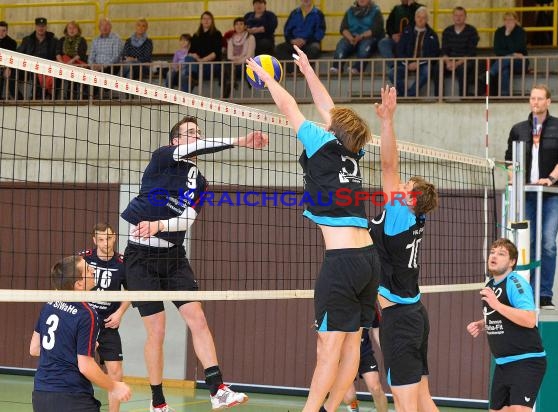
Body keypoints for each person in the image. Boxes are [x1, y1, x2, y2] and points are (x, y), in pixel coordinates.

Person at [247, 45, 380, 412]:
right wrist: (307, 71)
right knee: (352, 344)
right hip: (369, 260)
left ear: (332, 129)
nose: (326, 119)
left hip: (342, 262)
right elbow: (330, 108)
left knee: (327, 349)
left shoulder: (320, 141)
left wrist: (268, 78)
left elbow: (289, 106)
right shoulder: (352, 150)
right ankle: (329, 409)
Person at [121, 116, 268, 411]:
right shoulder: (163, 157)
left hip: (173, 257)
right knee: (158, 330)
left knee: (197, 319)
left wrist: (160, 226)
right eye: (190, 134)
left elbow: (188, 219)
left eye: (199, 133)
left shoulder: (199, 181)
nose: (197, 137)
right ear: (175, 141)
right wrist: (240, 141)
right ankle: (158, 403)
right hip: (140, 258)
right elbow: (201, 146)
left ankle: (217, 390)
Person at [369, 85, 439, 411]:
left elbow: (388, 166)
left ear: (410, 200)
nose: (401, 184)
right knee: (423, 400)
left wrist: (387, 121)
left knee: (405, 403)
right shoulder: (415, 217)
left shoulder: (399, 213)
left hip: (401, 319)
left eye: (406, 186)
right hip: (413, 315)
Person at [30, 256, 131, 412]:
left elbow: (35, 348)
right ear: (79, 284)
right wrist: (114, 387)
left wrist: (75, 347)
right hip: (72, 397)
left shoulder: (49, 305)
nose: (93, 270)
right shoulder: (87, 314)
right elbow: (85, 366)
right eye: (88, 270)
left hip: (40, 395)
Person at [505, 84, 558, 310]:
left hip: (551, 194)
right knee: (527, 242)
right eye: (532, 98)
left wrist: (550, 179)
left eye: (540, 98)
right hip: (527, 194)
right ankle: (528, 293)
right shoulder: (519, 129)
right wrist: (513, 177)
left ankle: (545, 295)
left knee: (548, 243)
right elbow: (509, 158)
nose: (536, 102)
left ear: (548, 102)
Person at [466, 238, 547, 412]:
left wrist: (496, 305)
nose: (494, 256)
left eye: (501, 254)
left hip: (526, 361)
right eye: (492, 252)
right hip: (503, 363)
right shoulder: (490, 285)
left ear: (512, 262)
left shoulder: (515, 283)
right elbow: (502, 317)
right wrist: (482, 324)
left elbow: (529, 319)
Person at [79, 223, 129, 412]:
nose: (105, 243)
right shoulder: (84, 259)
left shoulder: (122, 263)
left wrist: (119, 313)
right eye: (100, 239)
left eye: (108, 238)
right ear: (94, 240)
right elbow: (71, 285)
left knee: (115, 370)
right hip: (85, 322)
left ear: (114, 237)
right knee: (78, 367)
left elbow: (132, 291)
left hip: (108, 324)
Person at [342, 310, 388, 412]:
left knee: (376, 388)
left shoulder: (371, 304)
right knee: (350, 398)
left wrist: (387, 352)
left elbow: (376, 328)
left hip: (364, 352)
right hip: (343, 356)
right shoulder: (342, 302)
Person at [390, 7, 440, 97]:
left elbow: (434, 53)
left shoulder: (432, 35)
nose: (420, 20)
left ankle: (409, 95)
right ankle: (404, 94)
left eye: (423, 18)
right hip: (406, 63)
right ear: (415, 18)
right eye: (418, 17)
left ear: (427, 20)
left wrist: (418, 63)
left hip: (423, 64)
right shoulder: (406, 31)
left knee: (426, 71)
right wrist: (408, 63)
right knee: (392, 73)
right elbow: (399, 50)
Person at [329, 0, 385, 75]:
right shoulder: (350, 11)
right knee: (341, 45)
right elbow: (343, 28)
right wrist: (351, 38)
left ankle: (357, 68)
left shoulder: (376, 11)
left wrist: (361, 36)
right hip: (352, 37)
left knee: (364, 47)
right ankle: (337, 67)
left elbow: (377, 29)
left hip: (369, 37)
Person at [274, 0, 326, 72]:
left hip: (309, 43)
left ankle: (296, 69)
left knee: (314, 49)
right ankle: (297, 69)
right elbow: (287, 30)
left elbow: (320, 32)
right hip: (293, 43)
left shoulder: (318, 14)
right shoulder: (294, 13)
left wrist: (305, 40)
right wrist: (291, 40)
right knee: (279, 49)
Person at [181, 11, 223, 93]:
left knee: (187, 74)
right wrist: (194, 56)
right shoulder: (196, 35)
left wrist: (202, 60)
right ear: (201, 21)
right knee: (188, 59)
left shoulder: (217, 34)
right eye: (204, 19)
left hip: (210, 65)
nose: (206, 20)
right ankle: (192, 77)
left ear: (212, 21)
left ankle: (192, 78)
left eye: (208, 19)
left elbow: (216, 53)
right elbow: (190, 52)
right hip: (197, 65)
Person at [441, 6, 479, 96]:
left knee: (462, 69)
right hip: (450, 61)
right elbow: (444, 50)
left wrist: (457, 63)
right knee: (437, 68)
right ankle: (439, 97)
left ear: (465, 17)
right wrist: (448, 62)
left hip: (465, 60)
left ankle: (463, 98)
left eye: (461, 15)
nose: (458, 18)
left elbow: (471, 52)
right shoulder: (447, 31)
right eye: (456, 15)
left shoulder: (472, 31)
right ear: (453, 17)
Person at [488, 12, 528, 96]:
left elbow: (519, 49)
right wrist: (513, 54)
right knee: (504, 69)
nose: (508, 22)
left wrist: (508, 35)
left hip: (520, 62)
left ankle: (490, 74)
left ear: (516, 21)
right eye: (506, 20)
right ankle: (504, 95)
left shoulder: (521, 32)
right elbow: (497, 51)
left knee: (508, 59)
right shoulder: (499, 32)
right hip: (503, 63)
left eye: (511, 20)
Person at [17, 17, 58, 99]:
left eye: (43, 26)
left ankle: (40, 95)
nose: (41, 28)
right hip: (30, 66)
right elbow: (19, 53)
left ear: (46, 27)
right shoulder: (27, 40)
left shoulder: (53, 40)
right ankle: (35, 96)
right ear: (35, 27)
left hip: (48, 67)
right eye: (39, 26)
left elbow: (57, 53)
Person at [378, 0, 423, 68]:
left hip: (412, 39)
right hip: (397, 38)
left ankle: (405, 65)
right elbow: (389, 24)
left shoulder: (420, 8)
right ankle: (394, 67)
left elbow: (421, 25)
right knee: (383, 43)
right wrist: (393, 35)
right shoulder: (396, 9)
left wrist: (412, 6)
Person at [225, 17, 255, 96]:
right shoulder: (231, 39)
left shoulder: (250, 38)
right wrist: (235, 61)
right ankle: (230, 83)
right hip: (234, 64)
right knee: (226, 64)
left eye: (241, 24)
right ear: (234, 26)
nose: (239, 26)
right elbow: (229, 56)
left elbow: (249, 55)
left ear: (245, 26)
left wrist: (238, 61)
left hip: (246, 63)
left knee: (244, 66)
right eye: (236, 24)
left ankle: (231, 83)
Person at [0, 21, 18, 100]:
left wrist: (9, 68)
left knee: (11, 79)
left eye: (3, 31)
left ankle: (18, 99)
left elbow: (12, 58)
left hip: (7, 67)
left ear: (7, 31)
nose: (1, 33)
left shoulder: (12, 43)